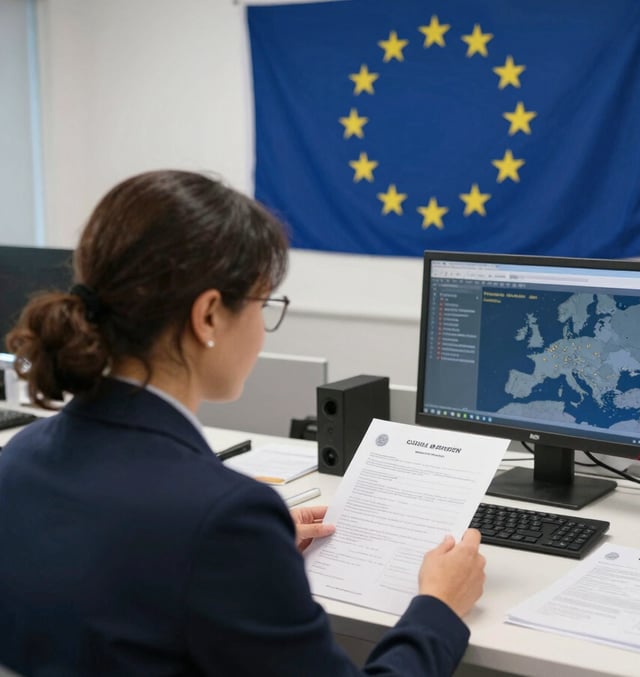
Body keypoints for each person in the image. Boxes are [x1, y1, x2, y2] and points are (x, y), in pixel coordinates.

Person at [0, 170, 486, 676]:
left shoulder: (20, 457)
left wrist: (261, 558)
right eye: (262, 304)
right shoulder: (224, 519)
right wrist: (439, 608)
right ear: (208, 315)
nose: (261, 329)